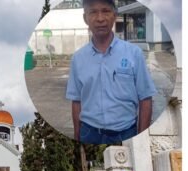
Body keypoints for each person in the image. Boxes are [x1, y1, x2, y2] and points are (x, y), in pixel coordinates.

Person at [66, 0, 156, 144]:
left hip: (126, 132)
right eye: (93, 12)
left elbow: (145, 98)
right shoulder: (78, 59)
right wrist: (77, 136)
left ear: (114, 15)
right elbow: (76, 101)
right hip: (89, 133)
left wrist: (141, 137)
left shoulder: (133, 53)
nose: (100, 18)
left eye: (105, 11)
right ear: (85, 18)